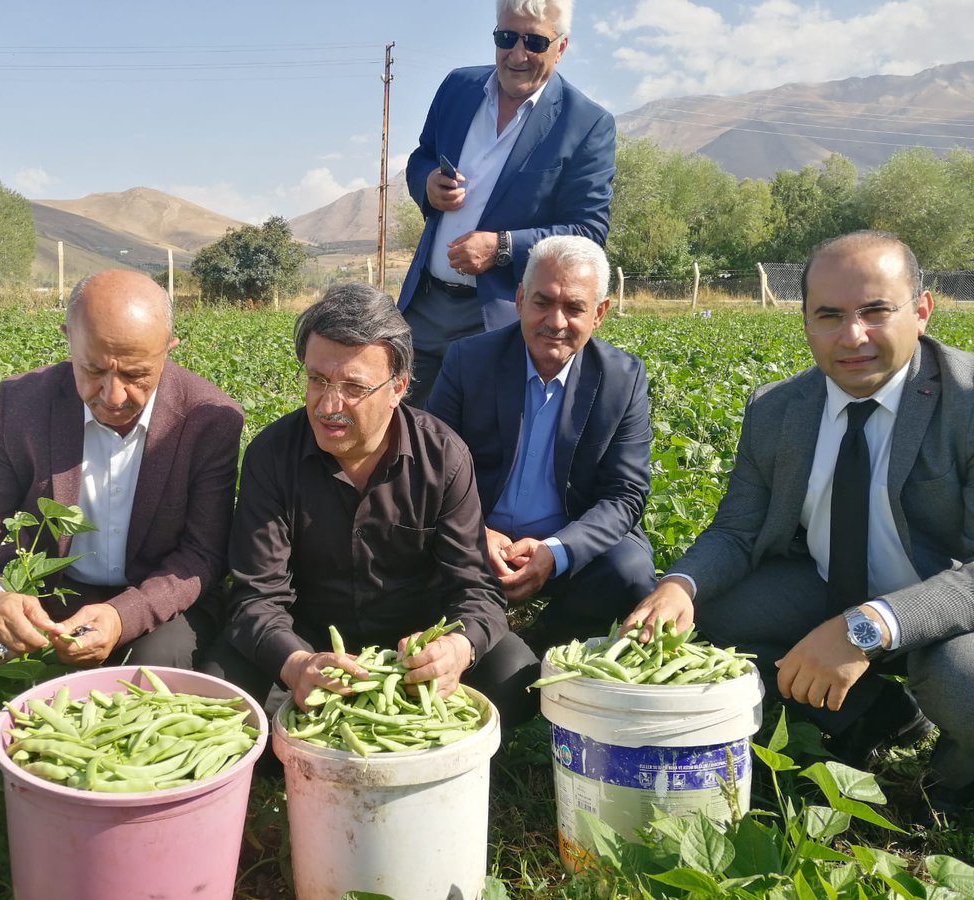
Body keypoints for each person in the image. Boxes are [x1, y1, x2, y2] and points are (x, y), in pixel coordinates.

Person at [627, 231, 974, 816]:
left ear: (921, 310)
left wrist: (870, 626)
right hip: (823, 585)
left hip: (947, 610)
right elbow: (736, 530)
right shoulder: (776, 408)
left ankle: (954, 783)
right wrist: (678, 586)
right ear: (805, 320)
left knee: (961, 680)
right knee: (694, 623)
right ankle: (874, 715)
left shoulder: (966, 403)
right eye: (829, 315)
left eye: (875, 312)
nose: (852, 336)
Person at [206, 282, 539, 727]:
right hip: (309, 641)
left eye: (352, 388)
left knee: (512, 673)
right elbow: (256, 596)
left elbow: (475, 590)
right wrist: (296, 663)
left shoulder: (442, 457)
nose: (328, 405)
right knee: (228, 693)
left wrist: (455, 650)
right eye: (318, 380)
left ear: (398, 387)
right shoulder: (273, 456)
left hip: (413, 652)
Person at [0, 269, 243, 669]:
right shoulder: (24, 404)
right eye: (93, 370)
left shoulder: (207, 419)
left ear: (168, 349)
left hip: (149, 592)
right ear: (68, 340)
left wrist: (123, 615)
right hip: (43, 594)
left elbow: (203, 553)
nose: (114, 395)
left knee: (158, 662)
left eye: (136, 374)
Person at [427, 235, 655, 643]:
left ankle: (543, 639)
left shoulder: (622, 378)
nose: (555, 322)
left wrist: (556, 551)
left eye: (574, 308)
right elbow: (431, 468)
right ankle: (486, 637)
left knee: (630, 573)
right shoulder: (468, 361)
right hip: (479, 538)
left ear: (600, 313)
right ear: (519, 299)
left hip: (566, 539)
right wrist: (475, 530)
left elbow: (626, 492)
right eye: (542, 302)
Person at [398, 0, 616, 404]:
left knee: (477, 450)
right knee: (404, 438)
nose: (517, 54)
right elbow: (421, 155)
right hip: (424, 307)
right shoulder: (457, 88)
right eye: (506, 38)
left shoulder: (586, 124)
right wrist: (427, 183)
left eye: (534, 41)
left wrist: (500, 247)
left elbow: (588, 230)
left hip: (500, 319)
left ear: (561, 46)